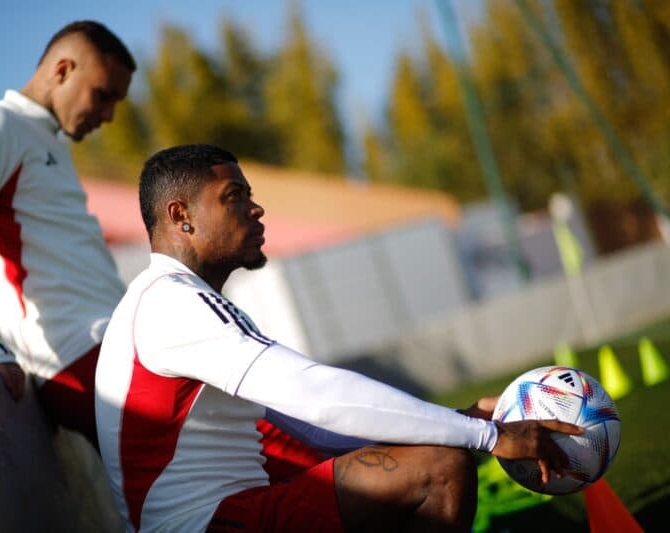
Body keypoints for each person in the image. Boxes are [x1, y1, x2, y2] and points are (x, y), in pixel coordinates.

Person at [95, 144, 583, 532]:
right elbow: (315, 396)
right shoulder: (171, 303)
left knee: (420, 457)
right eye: (234, 196)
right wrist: (488, 436)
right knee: (439, 467)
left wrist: (458, 420)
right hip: (210, 524)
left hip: (235, 511)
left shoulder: (175, 300)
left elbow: (309, 427)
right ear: (181, 215)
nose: (256, 207)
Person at [0, 20, 136, 449]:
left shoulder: (51, 143)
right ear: (63, 70)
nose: (109, 115)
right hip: (76, 360)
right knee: (231, 447)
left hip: (117, 343)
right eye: (103, 95)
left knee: (229, 452)